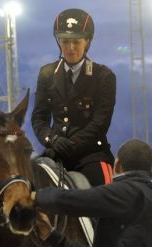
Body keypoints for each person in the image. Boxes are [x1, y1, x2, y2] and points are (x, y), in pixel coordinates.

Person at [31, 8, 116, 186]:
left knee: (104, 198)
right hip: (55, 153)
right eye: (65, 41)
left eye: (76, 42)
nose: (70, 48)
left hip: (91, 155)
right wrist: (52, 139)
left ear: (87, 42)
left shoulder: (103, 76)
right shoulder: (46, 74)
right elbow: (39, 118)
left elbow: (100, 123)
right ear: (59, 42)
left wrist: (72, 143)